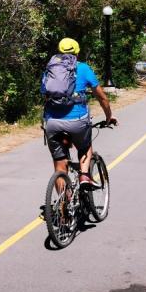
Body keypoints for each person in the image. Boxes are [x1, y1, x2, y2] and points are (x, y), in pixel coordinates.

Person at [42, 38, 118, 188]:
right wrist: (109, 116)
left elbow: (46, 94)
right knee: (85, 147)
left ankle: (63, 201)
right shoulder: (83, 68)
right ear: (77, 52)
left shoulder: (50, 69)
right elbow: (102, 97)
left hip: (52, 122)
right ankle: (84, 176)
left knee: (59, 165)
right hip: (77, 120)